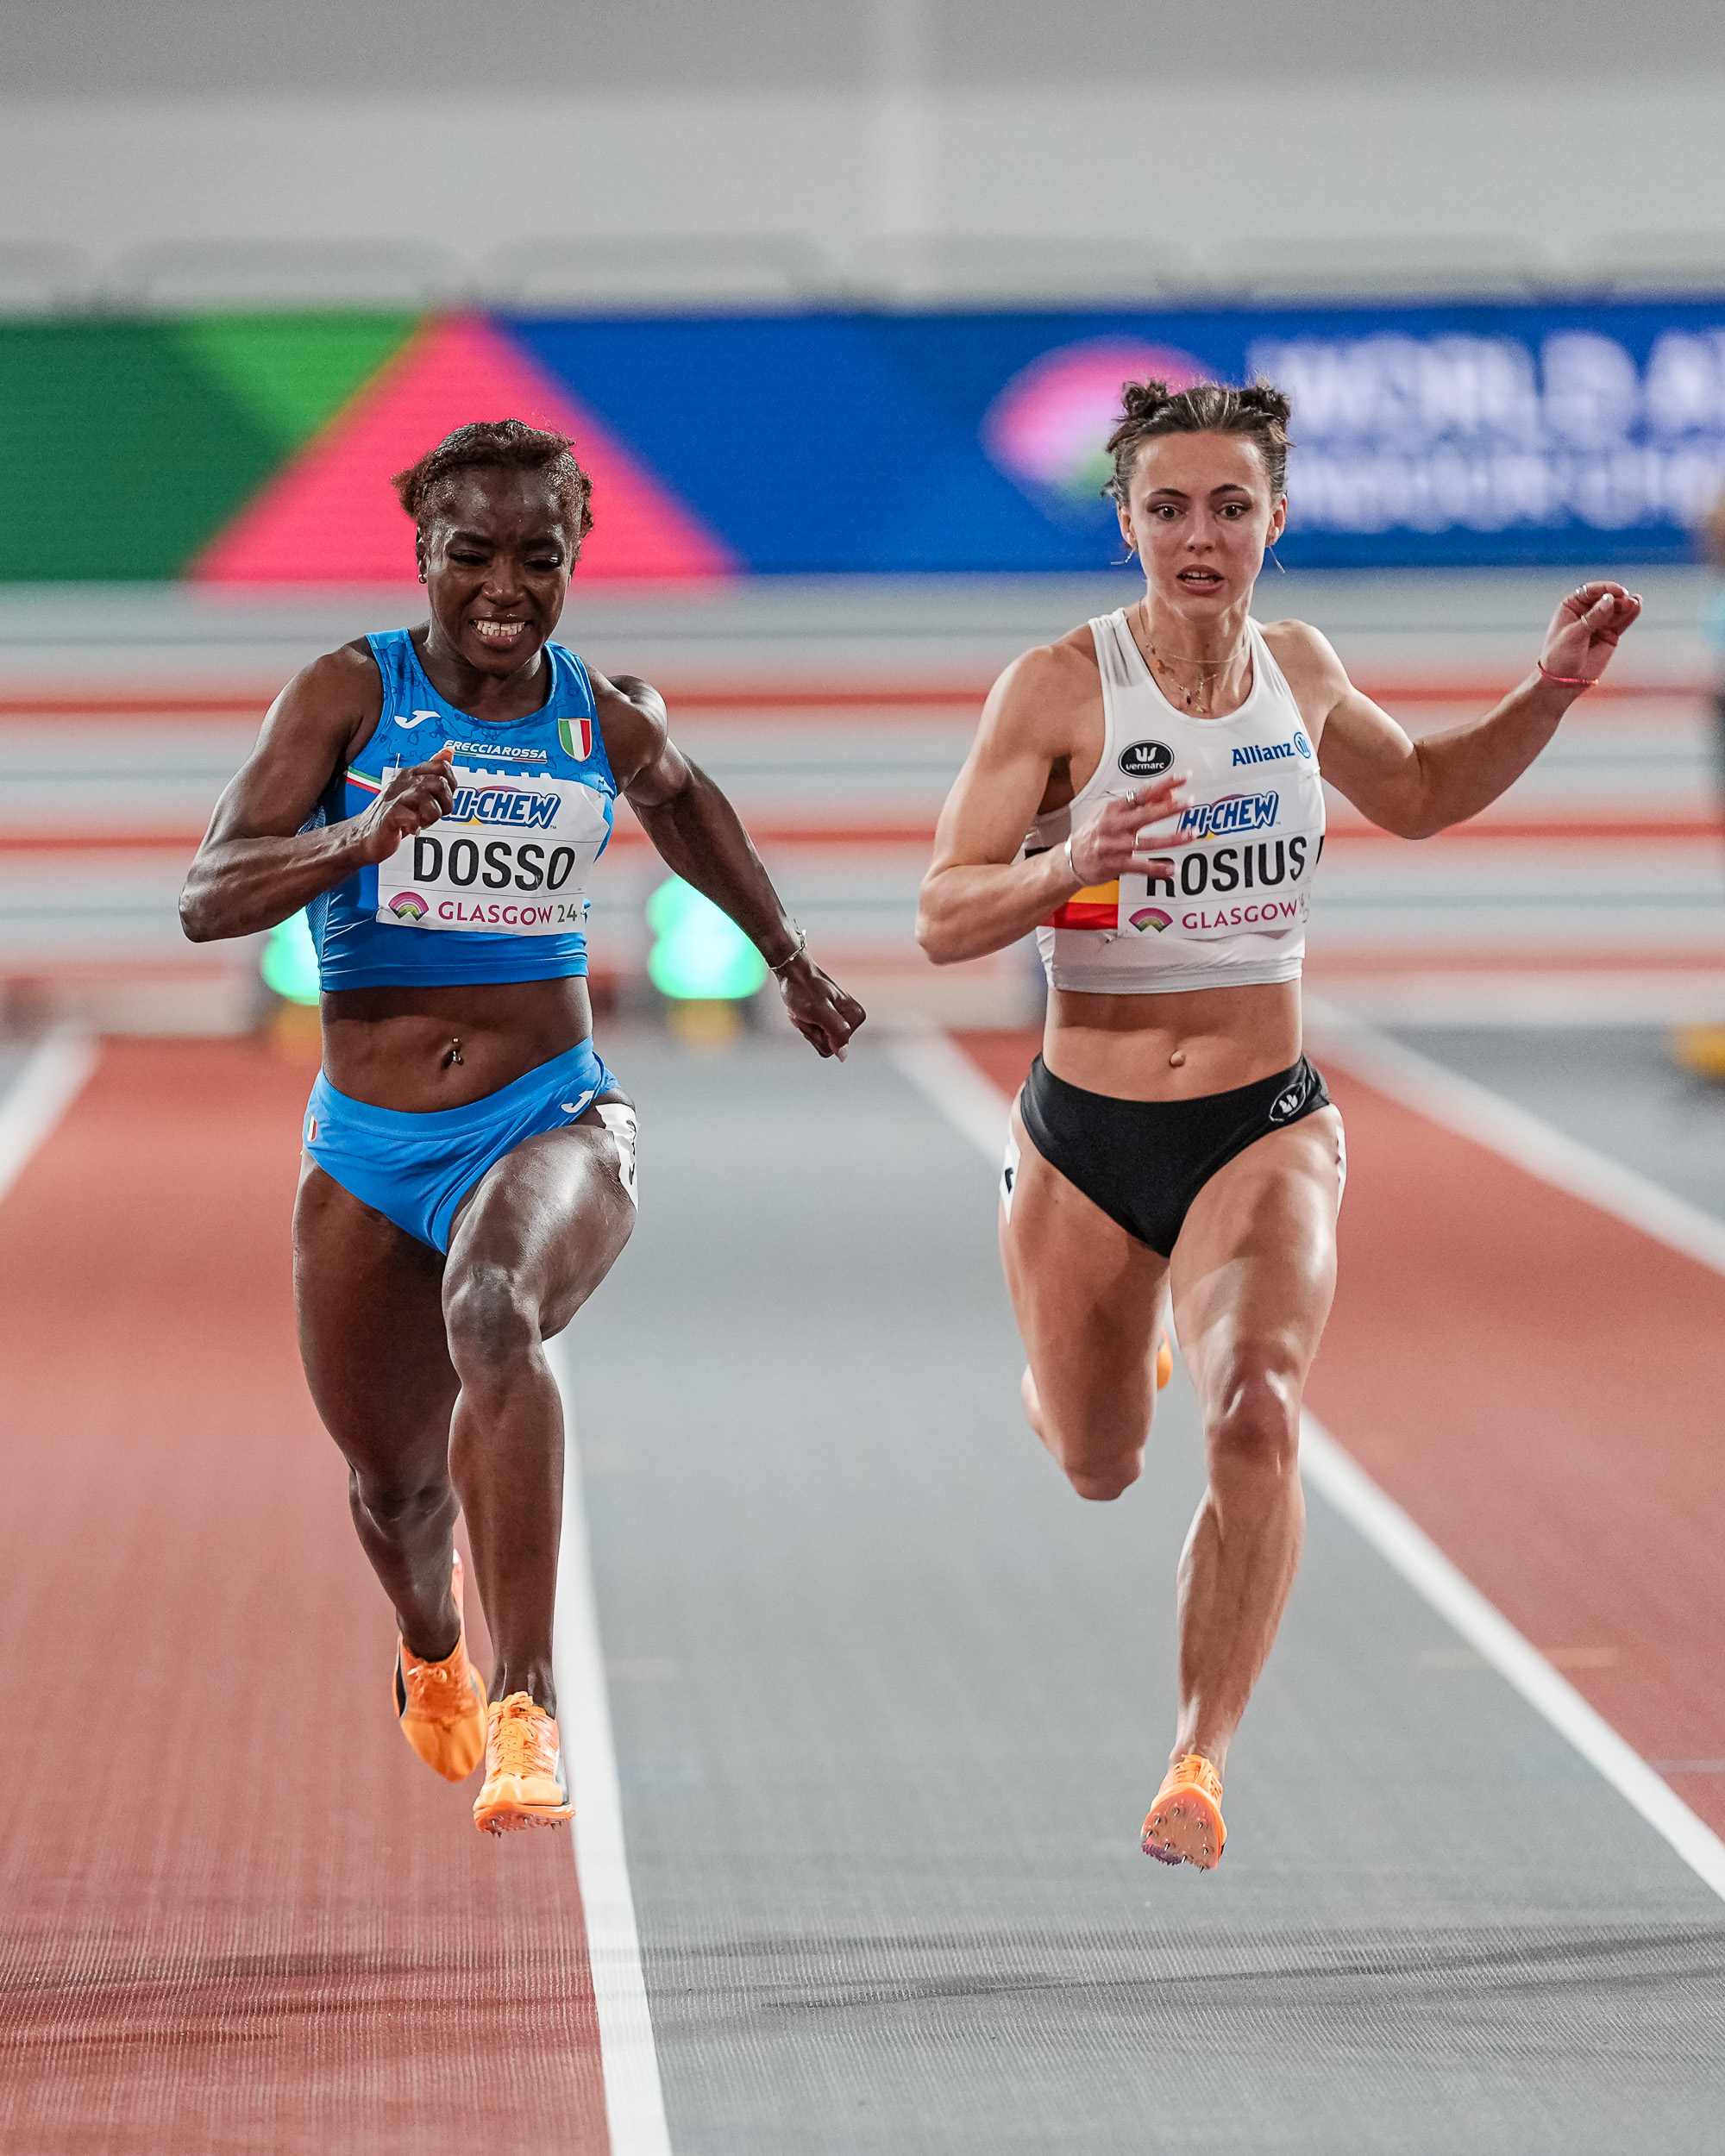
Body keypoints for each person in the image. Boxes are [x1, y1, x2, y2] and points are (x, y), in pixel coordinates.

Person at [916, 379, 1640, 1869]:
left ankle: (1200, 1758)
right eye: (1169, 508)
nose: (1201, 536)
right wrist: (1067, 866)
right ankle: (1082, 1374)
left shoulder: (1299, 668)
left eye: (1231, 507)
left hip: (1264, 1122)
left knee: (1256, 1411)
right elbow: (940, 917)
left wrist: (1550, 690)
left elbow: (1421, 793)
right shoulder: (1055, 689)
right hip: (1086, 1137)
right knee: (1099, 1461)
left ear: (1275, 521)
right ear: (1125, 524)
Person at [181, 419, 864, 1833]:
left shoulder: (602, 714)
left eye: (537, 559)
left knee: (495, 1315)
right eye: (473, 555)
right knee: (392, 1495)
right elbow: (208, 897)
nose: (505, 589)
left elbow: (686, 803)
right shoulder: (347, 697)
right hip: (368, 1146)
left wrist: (790, 959)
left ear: (572, 560)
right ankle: (431, 1641)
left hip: (551, 1115)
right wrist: (356, 839)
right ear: (423, 553)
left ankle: (528, 1705)